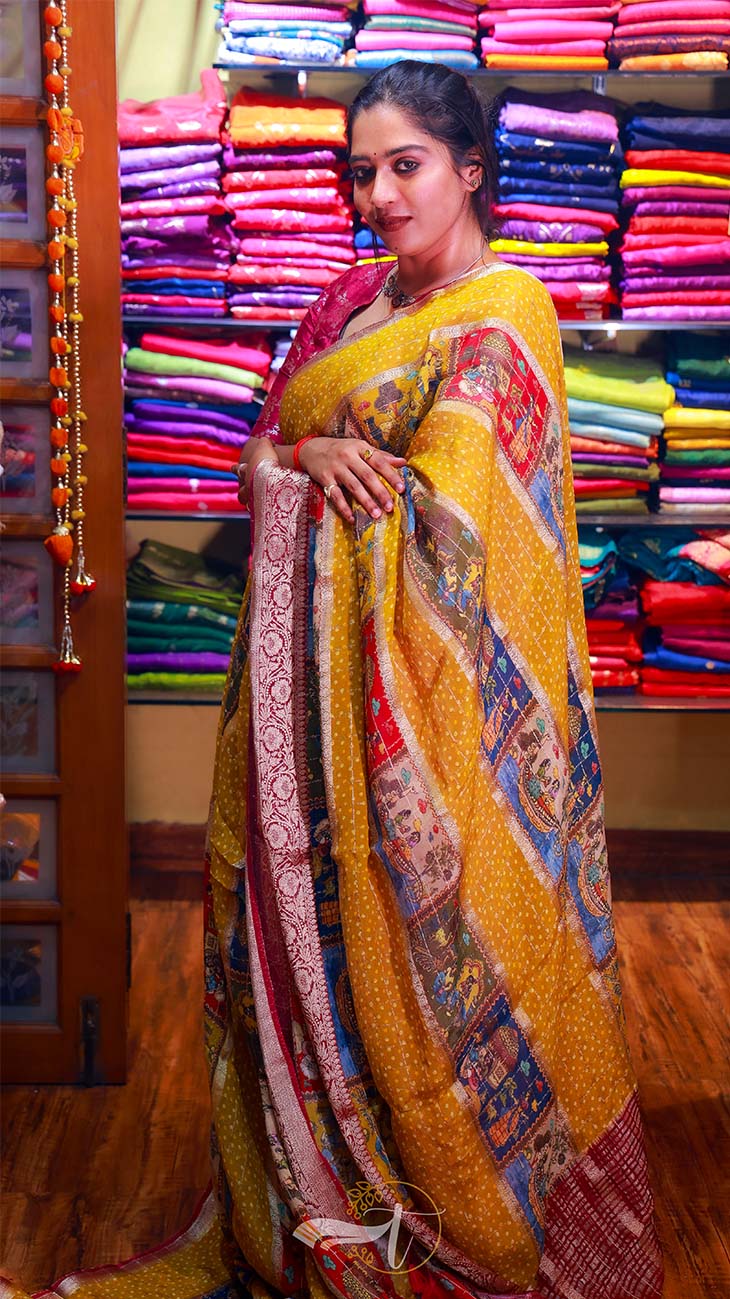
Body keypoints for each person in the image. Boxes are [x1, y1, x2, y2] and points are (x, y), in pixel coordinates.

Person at [5, 60, 663, 1299]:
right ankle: (310, 1195)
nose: (376, 194)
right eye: (359, 170)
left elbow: (452, 527)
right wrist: (303, 452)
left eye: (404, 165)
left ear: (469, 168)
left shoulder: (500, 317)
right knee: (299, 944)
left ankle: (433, 1205)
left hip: (420, 713)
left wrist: (316, 470)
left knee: (416, 961)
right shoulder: (347, 299)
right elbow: (265, 445)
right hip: (298, 703)